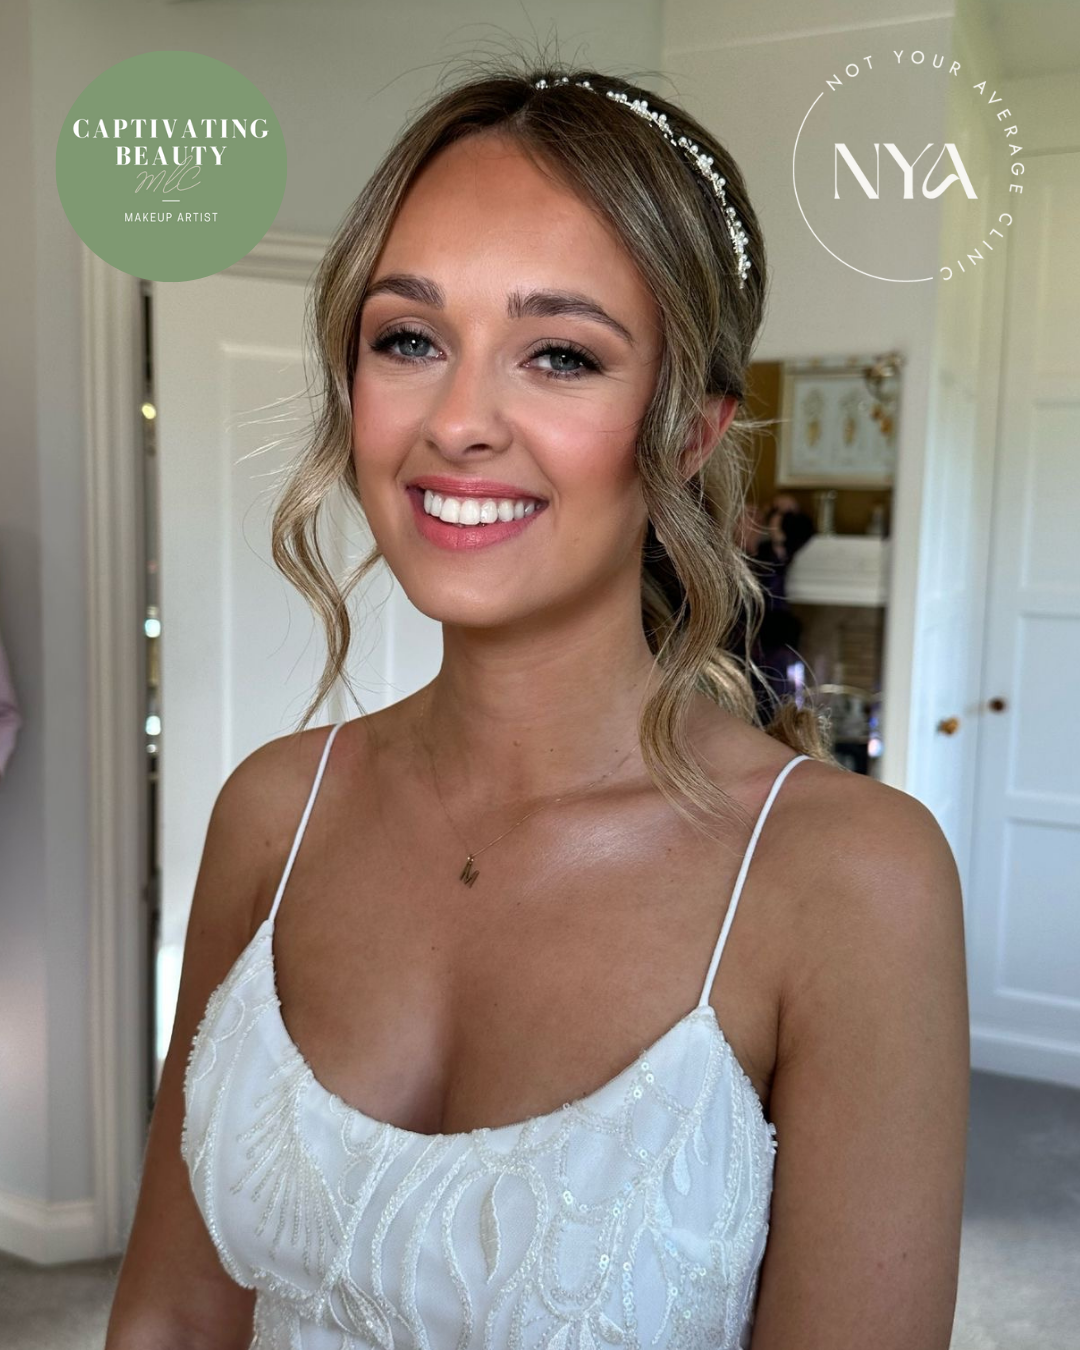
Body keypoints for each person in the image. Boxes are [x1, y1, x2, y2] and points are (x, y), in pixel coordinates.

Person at [106, 56, 969, 1350]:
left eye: (559, 353)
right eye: (410, 338)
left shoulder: (847, 879)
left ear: (687, 428)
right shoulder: (274, 814)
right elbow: (171, 1314)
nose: (458, 420)